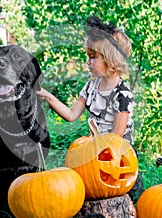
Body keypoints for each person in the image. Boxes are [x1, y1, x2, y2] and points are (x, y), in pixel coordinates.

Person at [37, 15, 144, 201]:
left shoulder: (122, 94)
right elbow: (71, 114)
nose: (88, 62)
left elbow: (116, 139)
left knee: (130, 199)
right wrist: (48, 96)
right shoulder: (91, 87)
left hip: (118, 158)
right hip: (95, 154)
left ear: (111, 60)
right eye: (88, 57)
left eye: (93, 57)